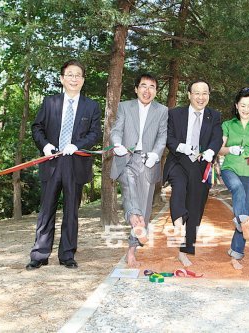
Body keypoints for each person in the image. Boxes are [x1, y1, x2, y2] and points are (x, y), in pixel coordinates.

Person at [27, 60, 102, 270]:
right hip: (51, 162)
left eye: (78, 75)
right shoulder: (50, 102)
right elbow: (37, 128)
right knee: (46, 210)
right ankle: (39, 255)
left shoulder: (91, 105)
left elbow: (95, 133)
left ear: (83, 80)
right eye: (70, 74)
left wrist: (77, 145)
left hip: (75, 163)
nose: (74, 78)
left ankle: (67, 255)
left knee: (71, 211)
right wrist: (45, 146)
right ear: (62, 79)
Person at [110, 73, 168, 268]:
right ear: (136, 89)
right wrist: (116, 143)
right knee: (128, 190)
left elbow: (162, 136)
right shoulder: (125, 107)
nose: (147, 90)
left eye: (152, 86)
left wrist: (156, 154)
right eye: (143, 86)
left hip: (148, 161)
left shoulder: (162, 110)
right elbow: (116, 129)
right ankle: (134, 219)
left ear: (156, 91)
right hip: (126, 159)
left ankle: (132, 248)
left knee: (144, 208)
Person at [163, 80, 223, 267]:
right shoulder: (175, 114)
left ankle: (185, 249)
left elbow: (217, 138)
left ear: (208, 96)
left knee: (196, 207)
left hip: (200, 164)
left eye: (204, 93)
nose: (200, 97)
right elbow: (168, 137)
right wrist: (182, 147)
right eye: (196, 93)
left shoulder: (214, 116)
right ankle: (178, 220)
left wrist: (211, 152)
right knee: (179, 186)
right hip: (179, 160)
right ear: (189, 95)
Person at [219, 87, 249, 270]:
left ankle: (236, 254)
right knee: (237, 189)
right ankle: (241, 222)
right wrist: (230, 149)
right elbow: (220, 148)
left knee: (246, 214)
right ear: (236, 106)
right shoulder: (228, 125)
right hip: (231, 167)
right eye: (243, 105)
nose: (246, 109)